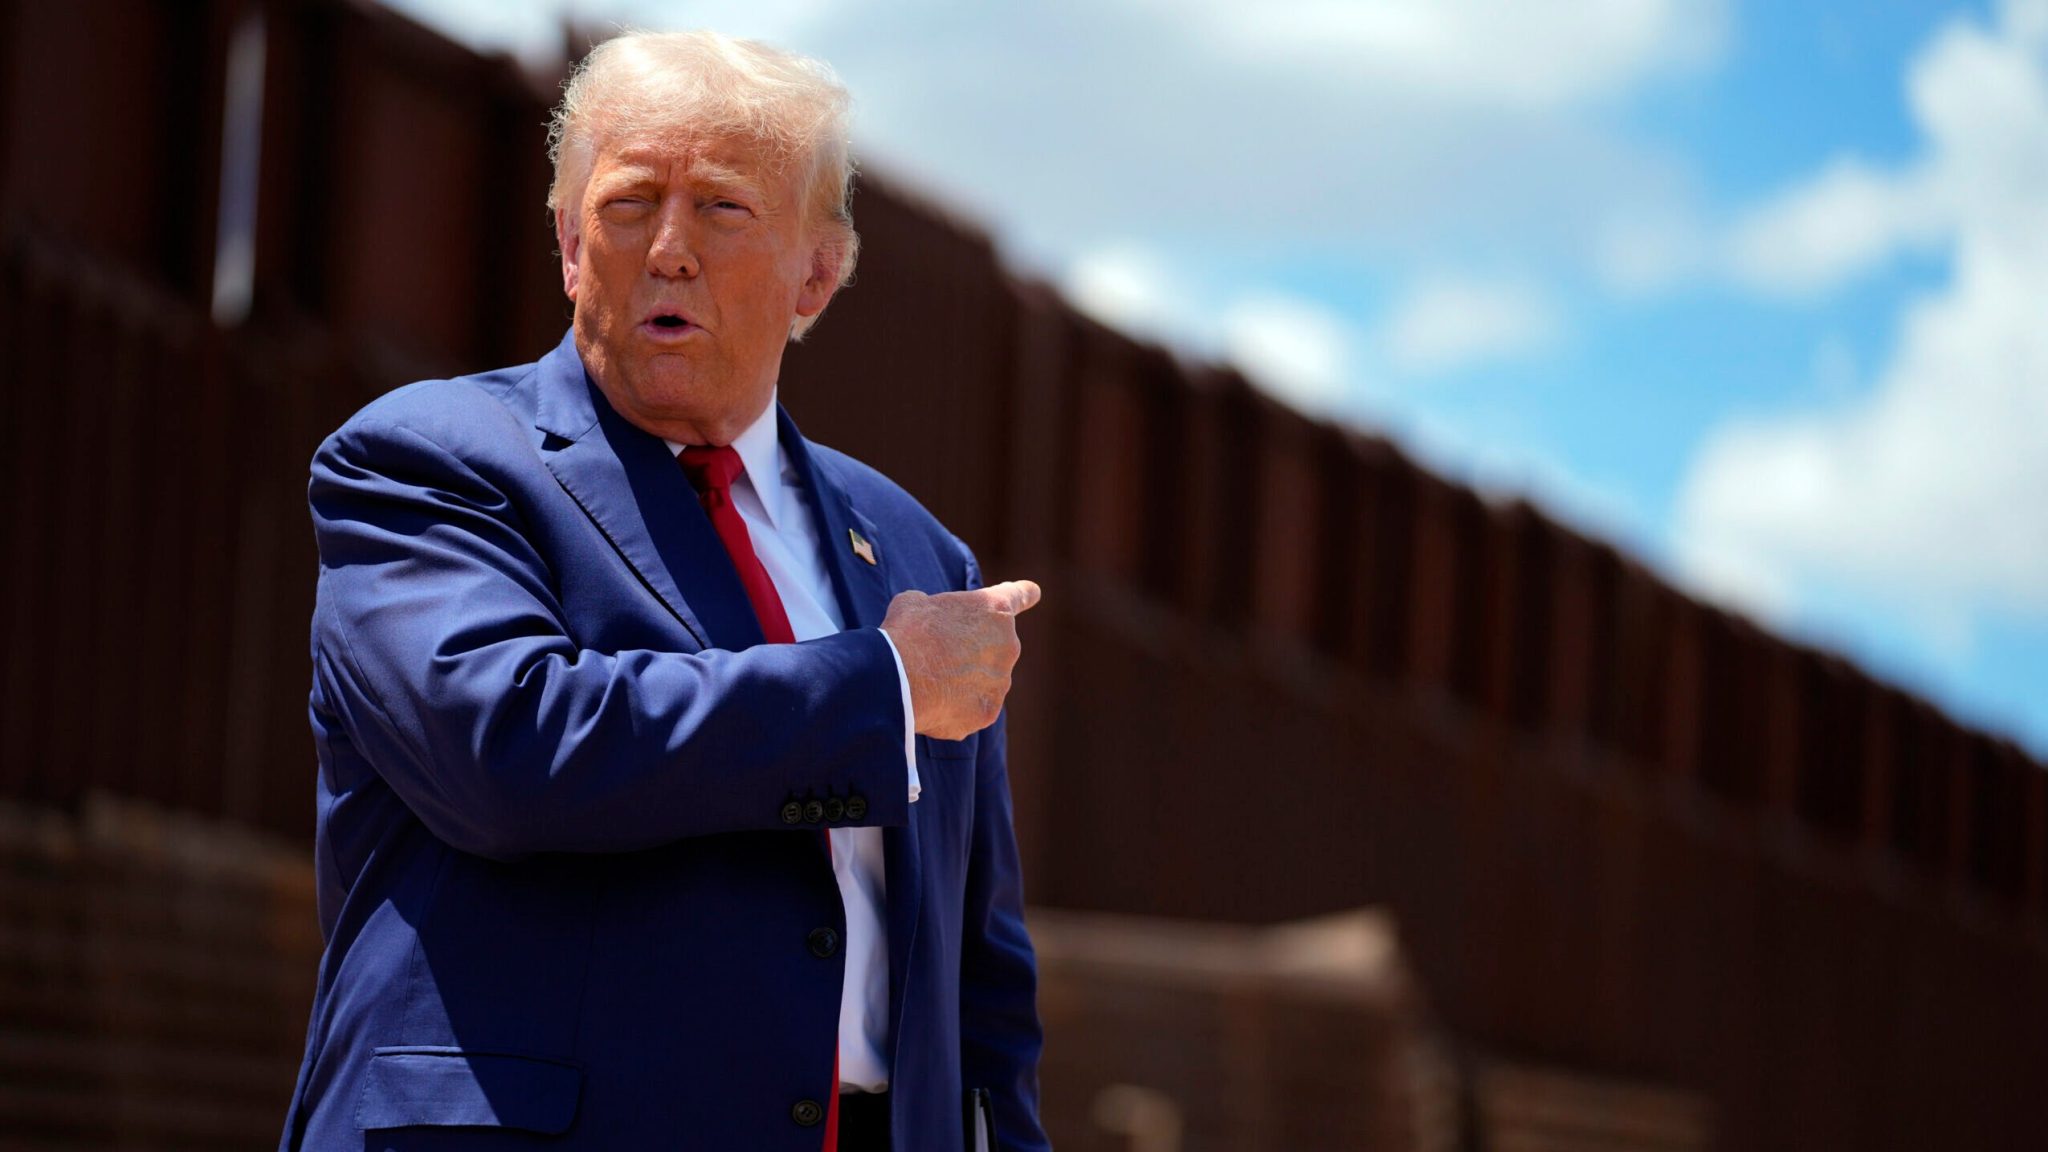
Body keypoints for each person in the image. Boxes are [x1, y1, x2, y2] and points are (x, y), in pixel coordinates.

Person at [276, 29, 1048, 1152]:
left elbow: (982, 978)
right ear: (568, 244)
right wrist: (878, 688)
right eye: (629, 204)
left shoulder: (917, 553)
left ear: (817, 273)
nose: (669, 250)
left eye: (723, 208)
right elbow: (510, 750)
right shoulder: (423, 462)